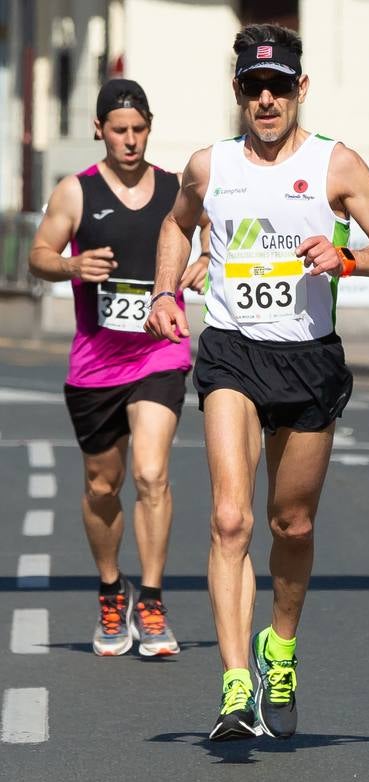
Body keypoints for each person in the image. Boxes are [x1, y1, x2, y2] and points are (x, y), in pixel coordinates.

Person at [145, 23, 369, 739]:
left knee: (290, 524)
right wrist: (166, 292)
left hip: (308, 359)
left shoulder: (337, 165)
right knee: (229, 519)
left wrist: (347, 258)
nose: (265, 99)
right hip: (233, 351)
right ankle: (236, 685)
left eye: (278, 86)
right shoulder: (210, 165)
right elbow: (178, 224)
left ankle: (279, 649)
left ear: (300, 89)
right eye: (251, 87)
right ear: (236, 93)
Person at [29, 78, 210, 658]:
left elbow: (215, 237)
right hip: (96, 362)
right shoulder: (75, 192)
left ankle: (152, 601)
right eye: (118, 130)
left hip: (160, 352)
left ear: (149, 128)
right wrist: (72, 265)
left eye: (138, 129)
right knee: (102, 485)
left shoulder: (175, 189)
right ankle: (112, 590)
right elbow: (39, 256)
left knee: (152, 474)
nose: (129, 140)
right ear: (99, 130)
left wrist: (208, 260)